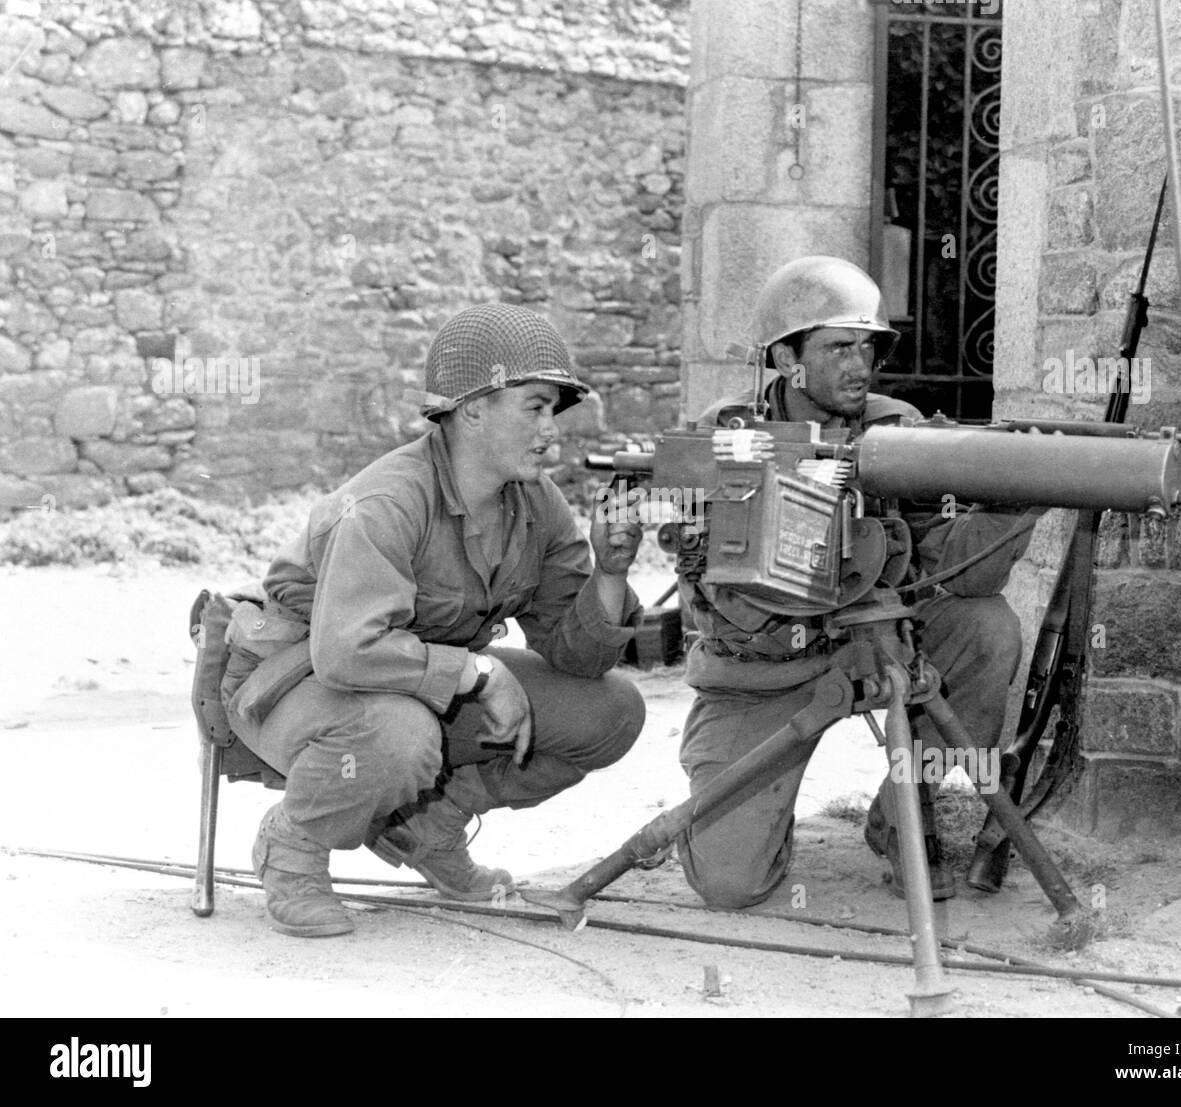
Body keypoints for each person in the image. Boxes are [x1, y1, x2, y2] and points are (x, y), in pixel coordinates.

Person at [222, 303, 646, 937]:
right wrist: (477, 672)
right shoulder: (387, 501)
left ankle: (430, 830)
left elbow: (577, 659)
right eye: (534, 406)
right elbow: (346, 652)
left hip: (418, 679)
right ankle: (293, 850)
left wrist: (610, 572)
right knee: (401, 734)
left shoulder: (536, 503)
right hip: (299, 680)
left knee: (610, 711)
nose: (550, 429)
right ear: (472, 409)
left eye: (552, 409)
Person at [675, 255, 1037, 909]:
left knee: (986, 627)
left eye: (867, 347)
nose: (860, 365)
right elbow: (708, 593)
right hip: (762, 672)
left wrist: (1019, 493)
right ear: (787, 359)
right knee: (729, 882)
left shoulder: (895, 431)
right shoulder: (724, 437)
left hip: (874, 643)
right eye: (840, 347)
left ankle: (907, 813)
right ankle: (753, 810)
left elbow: (965, 568)